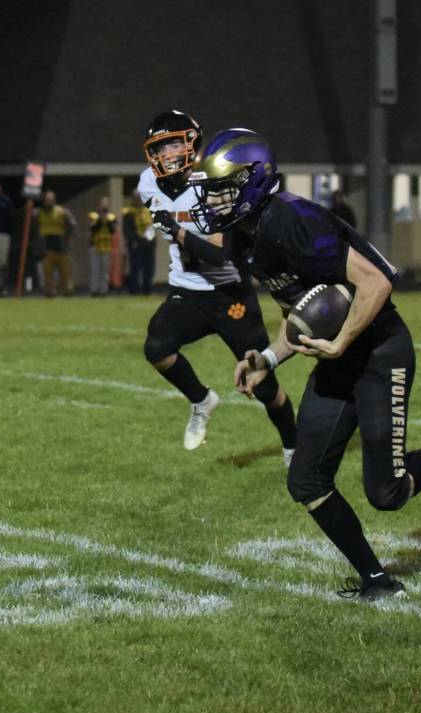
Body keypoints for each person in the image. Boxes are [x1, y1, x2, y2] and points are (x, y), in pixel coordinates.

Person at [189, 129, 421, 601]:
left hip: (379, 352)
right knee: (306, 480)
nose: (213, 201)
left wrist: (340, 343)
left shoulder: (294, 219)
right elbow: (300, 312)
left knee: (387, 493)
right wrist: (268, 358)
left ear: (253, 181)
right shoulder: (247, 237)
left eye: (222, 189)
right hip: (340, 359)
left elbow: (376, 283)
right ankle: (378, 582)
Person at [138, 109, 297, 461]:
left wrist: (177, 230)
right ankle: (201, 400)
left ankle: (292, 444)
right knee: (157, 346)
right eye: (159, 149)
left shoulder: (213, 180)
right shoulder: (147, 183)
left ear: (192, 143)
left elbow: (220, 254)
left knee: (262, 383)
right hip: (186, 291)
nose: (166, 155)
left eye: (172, 145)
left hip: (230, 295)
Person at [34, 189, 77, 297]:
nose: (49, 201)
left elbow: (73, 224)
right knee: (48, 276)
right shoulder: (38, 213)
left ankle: (67, 291)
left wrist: (68, 240)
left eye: (51, 199)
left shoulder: (62, 211)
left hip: (62, 249)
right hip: (47, 250)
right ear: (44, 200)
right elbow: (31, 222)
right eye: (47, 199)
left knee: (66, 275)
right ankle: (50, 292)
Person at [122, 190, 155, 295]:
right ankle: (134, 290)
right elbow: (127, 229)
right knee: (135, 268)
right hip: (136, 244)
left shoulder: (147, 211)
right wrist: (134, 240)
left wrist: (153, 241)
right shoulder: (129, 212)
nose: (139, 200)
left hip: (148, 244)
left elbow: (152, 227)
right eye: (137, 197)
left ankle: (147, 290)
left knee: (149, 268)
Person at [87, 196, 117, 297]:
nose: (104, 206)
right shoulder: (93, 215)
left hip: (106, 246)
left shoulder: (111, 217)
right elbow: (93, 229)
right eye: (103, 203)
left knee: (104, 270)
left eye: (106, 203)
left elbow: (112, 230)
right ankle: (94, 290)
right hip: (95, 246)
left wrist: (107, 220)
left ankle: (104, 290)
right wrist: (101, 219)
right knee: (95, 269)